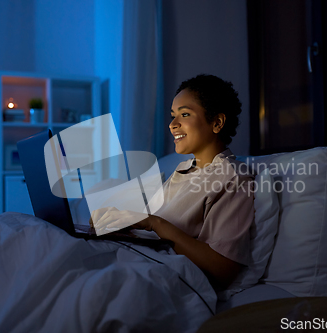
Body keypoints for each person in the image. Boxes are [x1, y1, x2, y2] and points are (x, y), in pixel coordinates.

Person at [92, 74, 255, 290]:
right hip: (137, 255)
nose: (172, 125)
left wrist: (154, 223)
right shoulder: (182, 169)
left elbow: (223, 270)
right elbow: (152, 230)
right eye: (172, 116)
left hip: (163, 275)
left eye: (184, 114)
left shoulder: (234, 177)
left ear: (217, 122)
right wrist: (120, 226)